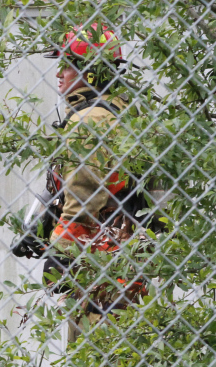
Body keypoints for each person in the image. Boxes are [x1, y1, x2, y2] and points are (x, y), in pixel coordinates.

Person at [42, 25, 148, 335]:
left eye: (67, 65)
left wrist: (60, 252)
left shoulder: (89, 120)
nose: (59, 74)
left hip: (97, 261)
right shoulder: (122, 108)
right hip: (124, 257)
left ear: (90, 72)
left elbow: (84, 196)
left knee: (92, 353)